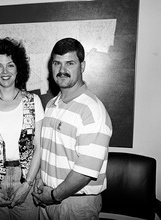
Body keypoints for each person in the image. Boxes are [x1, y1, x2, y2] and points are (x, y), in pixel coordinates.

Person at [32, 38, 113, 220]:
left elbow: (85, 172)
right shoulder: (52, 105)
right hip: (48, 200)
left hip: (75, 206)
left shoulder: (92, 110)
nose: (62, 70)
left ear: (82, 66)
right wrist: (39, 179)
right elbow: (46, 151)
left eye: (70, 63)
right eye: (57, 63)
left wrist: (54, 196)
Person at [0, 37, 44, 220]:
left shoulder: (33, 102)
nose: (5, 71)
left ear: (18, 68)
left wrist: (28, 184)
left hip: (26, 177)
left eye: (10, 65)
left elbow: (38, 147)